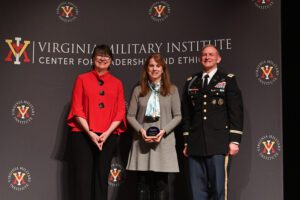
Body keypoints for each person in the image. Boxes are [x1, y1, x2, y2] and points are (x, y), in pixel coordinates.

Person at [181, 44, 243, 200]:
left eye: (211, 54)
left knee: (218, 189)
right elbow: (187, 114)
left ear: (218, 58)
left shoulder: (227, 80)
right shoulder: (191, 81)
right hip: (196, 144)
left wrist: (234, 141)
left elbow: (235, 111)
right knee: (197, 192)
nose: (207, 57)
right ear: (200, 58)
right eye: (204, 55)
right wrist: (187, 141)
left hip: (218, 143)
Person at [67, 44, 126, 200]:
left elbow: (120, 111)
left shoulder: (117, 83)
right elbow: (77, 108)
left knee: (101, 180)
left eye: (107, 56)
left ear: (111, 61)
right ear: (93, 59)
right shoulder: (82, 79)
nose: (103, 58)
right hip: (82, 135)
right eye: (99, 55)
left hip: (107, 136)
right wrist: (90, 133)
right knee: (83, 180)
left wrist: (106, 134)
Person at [126, 53, 182, 200]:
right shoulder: (138, 90)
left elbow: (178, 116)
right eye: (151, 65)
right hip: (142, 142)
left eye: (158, 66)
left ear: (163, 69)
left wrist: (163, 131)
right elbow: (130, 116)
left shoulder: (172, 90)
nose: (154, 68)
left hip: (163, 142)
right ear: (146, 68)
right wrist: (141, 131)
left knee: (161, 184)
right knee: (142, 184)